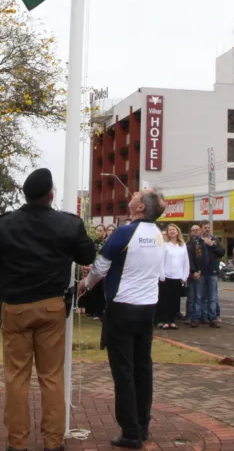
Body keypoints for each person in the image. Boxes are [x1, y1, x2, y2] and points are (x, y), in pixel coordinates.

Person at [0, 168, 97, 451]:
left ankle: (17, 443)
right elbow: (88, 255)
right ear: (51, 195)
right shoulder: (68, 224)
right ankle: (53, 443)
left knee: (16, 377)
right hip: (52, 308)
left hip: (16, 309)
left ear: (25, 195)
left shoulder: (3, 225)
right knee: (51, 376)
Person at [79, 188, 166, 449]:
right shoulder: (159, 235)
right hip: (148, 306)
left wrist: (85, 283)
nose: (134, 194)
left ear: (141, 208)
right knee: (143, 367)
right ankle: (143, 423)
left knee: (124, 371)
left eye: (139, 194)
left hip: (122, 307)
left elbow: (101, 266)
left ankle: (130, 431)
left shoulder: (125, 232)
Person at [187, 226, 225, 328]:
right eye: (205, 228)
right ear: (201, 229)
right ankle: (195, 319)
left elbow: (222, 252)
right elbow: (190, 258)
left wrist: (212, 245)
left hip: (212, 273)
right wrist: (193, 271)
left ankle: (212, 318)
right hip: (200, 273)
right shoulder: (195, 242)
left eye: (209, 227)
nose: (207, 229)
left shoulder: (215, 240)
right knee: (198, 297)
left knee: (212, 297)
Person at [157, 223, 189, 330]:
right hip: (166, 277)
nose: (171, 231)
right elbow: (161, 260)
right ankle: (165, 321)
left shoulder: (182, 245)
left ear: (177, 231)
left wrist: (185, 276)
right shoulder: (165, 245)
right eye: (169, 230)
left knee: (174, 301)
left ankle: (172, 321)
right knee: (165, 300)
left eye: (173, 229)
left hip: (177, 277)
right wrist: (161, 274)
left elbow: (186, 262)